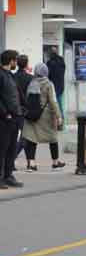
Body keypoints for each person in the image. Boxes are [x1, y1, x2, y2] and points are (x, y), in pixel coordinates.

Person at [22, 63, 65, 173]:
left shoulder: (32, 83)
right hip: (46, 117)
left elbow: (27, 98)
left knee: (31, 139)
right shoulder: (49, 84)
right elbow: (53, 101)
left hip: (32, 115)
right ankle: (55, 163)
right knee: (53, 138)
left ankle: (31, 164)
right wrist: (59, 116)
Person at [0, 50, 23, 188]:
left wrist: (22, 111)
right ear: (11, 61)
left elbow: (16, 95)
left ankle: (8, 175)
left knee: (11, 149)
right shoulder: (1, 75)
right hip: (4, 119)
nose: (16, 63)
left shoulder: (11, 76)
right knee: (2, 149)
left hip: (15, 118)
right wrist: (5, 114)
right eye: (15, 60)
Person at [14, 54, 32, 162]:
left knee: (19, 137)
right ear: (26, 64)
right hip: (25, 110)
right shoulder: (30, 78)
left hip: (14, 109)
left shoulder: (13, 77)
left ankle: (30, 161)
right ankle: (12, 158)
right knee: (25, 137)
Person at [46, 47, 66, 120]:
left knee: (56, 102)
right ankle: (61, 119)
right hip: (61, 85)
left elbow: (48, 74)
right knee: (58, 102)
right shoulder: (61, 60)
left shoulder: (50, 62)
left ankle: (59, 119)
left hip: (53, 86)